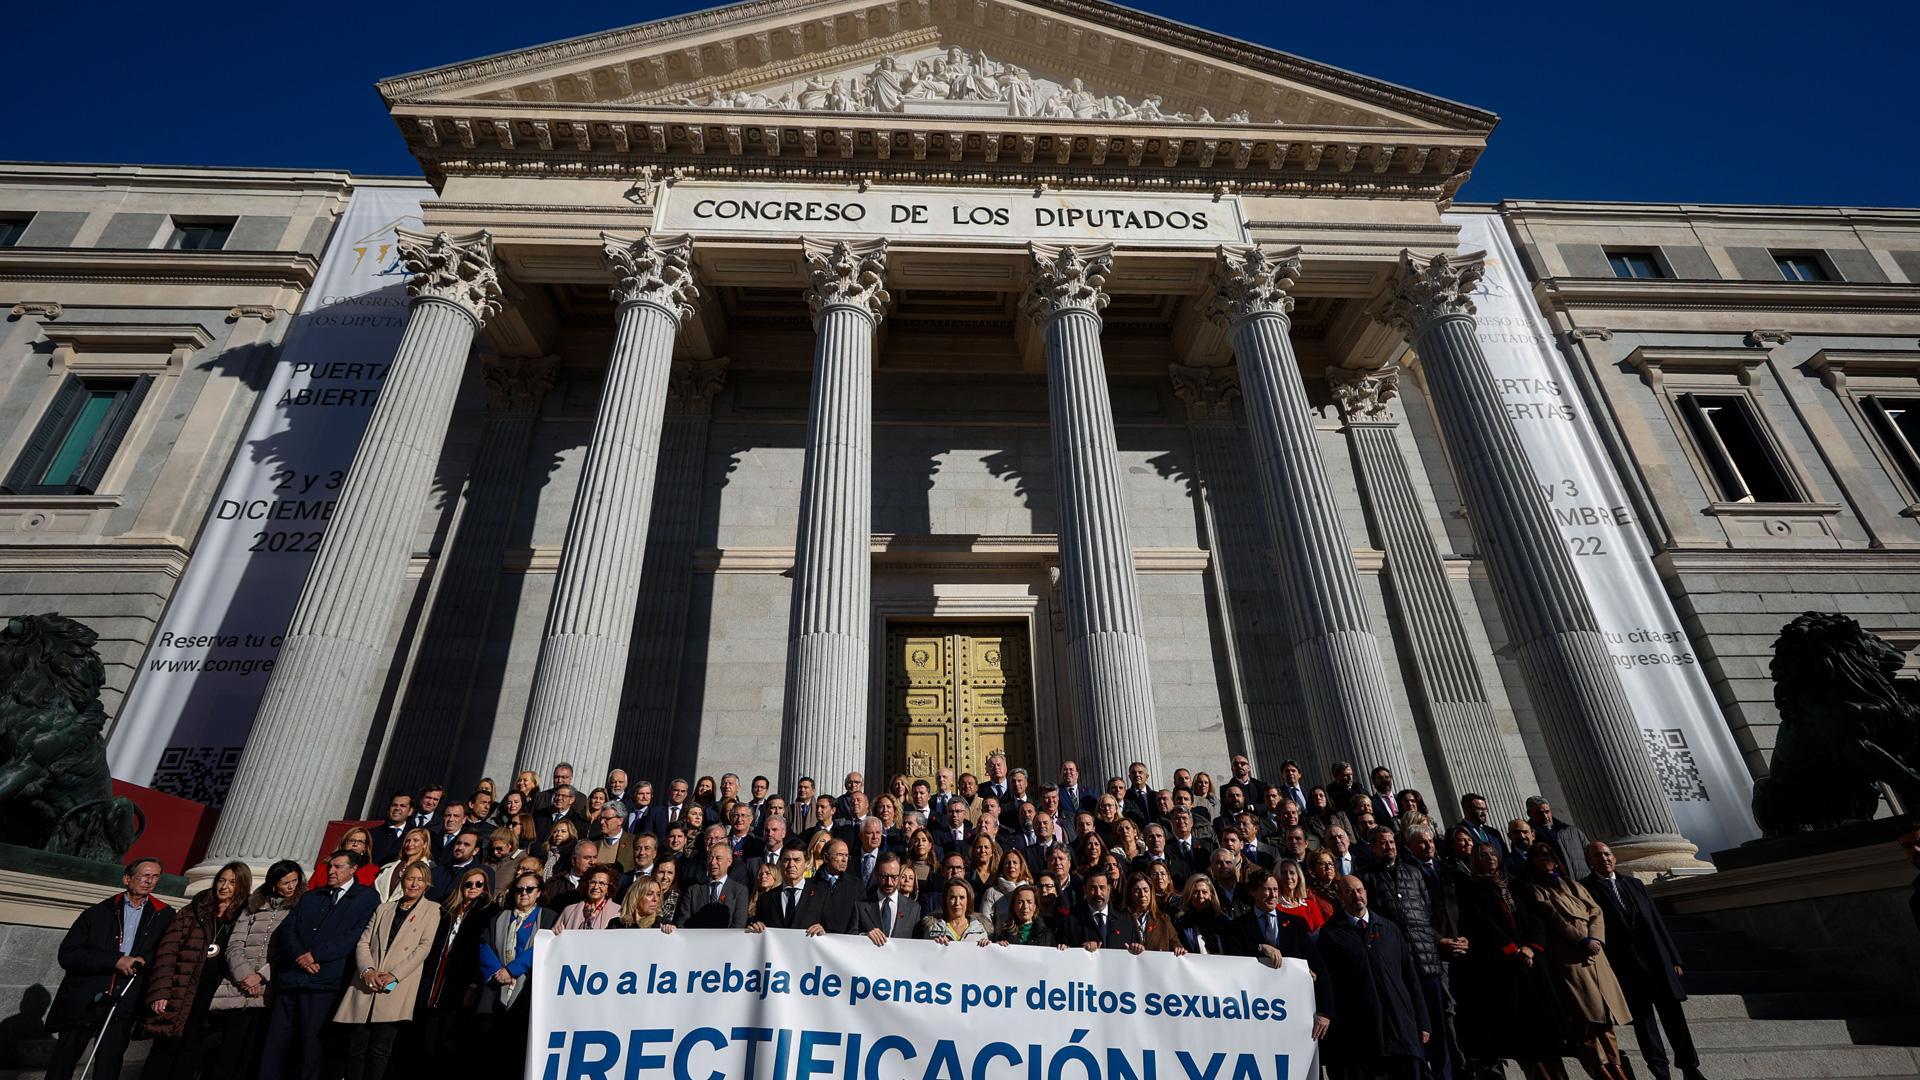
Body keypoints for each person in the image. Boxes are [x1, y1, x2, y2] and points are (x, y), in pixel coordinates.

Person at [44, 857, 174, 1080]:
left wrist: (143, 961)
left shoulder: (165, 915)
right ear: (127, 878)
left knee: (108, 1066)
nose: (149, 881)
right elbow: (68, 954)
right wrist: (114, 960)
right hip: (86, 999)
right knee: (63, 1063)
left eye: (155, 877)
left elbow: (167, 952)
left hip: (125, 1001)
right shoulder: (97, 913)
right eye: (144, 875)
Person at [1582, 842, 1702, 1080]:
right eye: (1598, 855)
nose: (1604, 858)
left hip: (1657, 961)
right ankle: (1660, 1071)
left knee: (1674, 1018)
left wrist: (1673, 958)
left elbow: (1657, 923)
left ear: (1614, 858)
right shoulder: (1587, 889)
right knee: (1644, 1024)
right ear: (1589, 861)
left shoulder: (1634, 884)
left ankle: (1690, 1067)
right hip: (1626, 966)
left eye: (1607, 854)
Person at [262, 850, 380, 1080]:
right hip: (292, 979)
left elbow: (354, 935)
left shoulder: (367, 897)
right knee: (276, 1044)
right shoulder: (311, 896)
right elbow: (288, 929)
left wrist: (316, 955)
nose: (331, 871)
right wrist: (300, 956)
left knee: (311, 1045)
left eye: (338, 867)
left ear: (353, 869)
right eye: (330, 867)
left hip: (323, 982)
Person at [1456, 844, 1568, 1080]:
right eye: (1482, 856)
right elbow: (1482, 925)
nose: (1489, 859)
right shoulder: (1472, 889)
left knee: (1548, 1034)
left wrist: (1530, 947)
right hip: (1505, 968)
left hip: (1534, 963)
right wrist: (1512, 949)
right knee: (1524, 1038)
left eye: (1492, 854)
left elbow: (1536, 918)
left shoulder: (1517, 885)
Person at [1523, 842, 1630, 1080]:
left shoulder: (1571, 884)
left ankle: (1617, 1066)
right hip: (1571, 957)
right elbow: (1554, 918)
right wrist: (1581, 940)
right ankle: (1600, 1069)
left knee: (1605, 1017)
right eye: (1539, 857)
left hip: (1595, 955)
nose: (1545, 859)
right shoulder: (1536, 889)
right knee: (1587, 1020)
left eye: (1548, 855)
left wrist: (1596, 939)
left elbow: (1596, 911)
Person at [141, 860, 248, 1080]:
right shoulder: (193, 911)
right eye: (221, 880)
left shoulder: (243, 919)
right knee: (163, 1052)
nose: (224, 886)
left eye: (232, 882)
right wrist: (160, 992)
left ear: (242, 887)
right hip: (181, 991)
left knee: (191, 1055)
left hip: (212, 999)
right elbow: (167, 953)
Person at [335, 862, 441, 1080]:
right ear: (402, 880)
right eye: (410, 878)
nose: (414, 883)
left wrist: (394, 975)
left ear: (426, 884)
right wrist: (367, 970)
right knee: (356, 1049)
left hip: (396, 985)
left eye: (420, 880)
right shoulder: (384, 908)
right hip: (367, 981)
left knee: (380, 1050)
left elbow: (424, 948)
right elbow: (364, 941)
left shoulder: (432, 910)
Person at [1317, 875, 1425, 1080]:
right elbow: (1328, 982)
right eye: (1349, 891)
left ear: (1366, 892)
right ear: (1340, 897)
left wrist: (1422, 1022)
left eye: (1359, 890)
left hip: (1400, 1030)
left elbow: (1410, 977)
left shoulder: (1390, 928)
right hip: (1362, 1036)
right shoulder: (1331, 934)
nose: (1356, 895)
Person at [210, 859, 304, 1080]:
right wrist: (245, 975)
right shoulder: (253, 905)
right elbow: (235, 944)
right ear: (273, 884)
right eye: (285, 882)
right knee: (224, 1053)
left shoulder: (300, 908)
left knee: (252, 1056)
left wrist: (261, 977)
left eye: (294, 881)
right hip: (237, 988)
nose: (291, 886)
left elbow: (291, 950)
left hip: (268, 992)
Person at [412, 867, 494, 1072]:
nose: (473, 888)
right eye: (469, 884)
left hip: (460, 981)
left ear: (485, 889)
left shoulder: (487, 913)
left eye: (478, 884)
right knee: (425, 1036)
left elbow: (483, 950)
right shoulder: (446, 909)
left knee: (447, 1038)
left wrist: (474, 984)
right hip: (434, 976)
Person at [477, 872, 556, 1065]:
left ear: (539, 893)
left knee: (514, 1052)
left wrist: (512, 970)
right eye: (519, 889)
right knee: (486, 1049)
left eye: (530, 889)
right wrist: (499, 971)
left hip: (526, 990)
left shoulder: (548, 917)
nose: (524, 893)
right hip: (496, 985)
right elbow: (484, 945)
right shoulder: (499, 917)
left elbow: (542, 946)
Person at [750, 847, 829, 932]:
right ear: (779, 863)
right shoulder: (765, 899)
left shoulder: (822, 895)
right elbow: (756, 930)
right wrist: (755, 927)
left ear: (806, 863)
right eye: (786, 860)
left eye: (797, 860)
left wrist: (824, 931)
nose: (791, 864)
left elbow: (833, 930)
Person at [676, 843, 750, 928]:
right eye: (710, 858)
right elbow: (683, 923)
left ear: (729, 861)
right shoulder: (693, 891)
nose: (713, 862)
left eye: (718, 858)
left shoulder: (739, 891)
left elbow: (738, 924)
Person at [854, 853, 921, 944]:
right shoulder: (861, 907)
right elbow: (850, 937)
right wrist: (864, 936)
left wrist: (938, 942)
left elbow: (919, 942)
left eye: (894, 877)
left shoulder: (913, 908)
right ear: (876, 875)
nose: (889, 882)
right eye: (884, 877)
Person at [1066, 870, 1139, 951]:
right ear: (1085, 889)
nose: (1098, 893)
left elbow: (1134, 953)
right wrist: (1081, 950)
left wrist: (1137, 949)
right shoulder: (1071, 923)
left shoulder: (1125, 923)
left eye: (1102, 888)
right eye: (1093, 888)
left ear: (1109, 889)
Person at [374, 827, 449, 903]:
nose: (410, 844)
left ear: (425, 845)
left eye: (415, 840)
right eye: (407, 841)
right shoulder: (390, 866)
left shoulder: (430, 869)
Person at [1119, 871, 1182, 953]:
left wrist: (1178, 949)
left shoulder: (1163, 920)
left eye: (1146, 890)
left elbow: (1176, 944)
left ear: (1151, 893)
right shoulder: (1120, 919)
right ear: (1130, 894)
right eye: (1137, 891)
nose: (1142, 895)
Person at [1526, 797, 1592, 875]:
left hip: (1583, 882)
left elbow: (1591, 855)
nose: (1545, 816)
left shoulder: (1572, 831)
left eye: (1547, 812)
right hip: (1555, 884)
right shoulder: (1527, 838)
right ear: (1529, 814)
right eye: (1539, 813)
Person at [921, 879, 992, 943]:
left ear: (968, 900)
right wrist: (934, 945)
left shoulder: (980, 929)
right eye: (952, 897)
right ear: (946, 900)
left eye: (962, 897)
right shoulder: (933, 928)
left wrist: (987, 946)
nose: (957, 903)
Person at [1174, 875, 1228, 954]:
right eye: (1196, 892)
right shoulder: (1181, 923)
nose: (1200, 896)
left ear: (1211, 895)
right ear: (1189, 895)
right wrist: (1178, 949)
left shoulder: (1224, 921)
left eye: (1204, 892)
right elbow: (1176, 944)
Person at [555, 865, 620, 931]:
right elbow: (555, 936)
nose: (596, 887)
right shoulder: (569, 911)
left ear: (609, 888)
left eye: (601, 883)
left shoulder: (617, 912)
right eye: (592, 882)